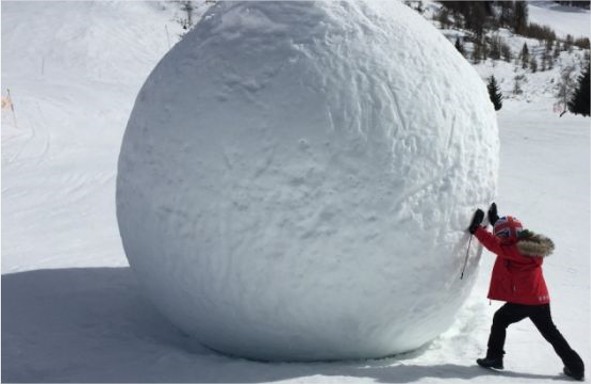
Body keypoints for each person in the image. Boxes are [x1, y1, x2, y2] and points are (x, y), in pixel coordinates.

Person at [468, 203, 585, 381]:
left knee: (500, 319)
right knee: (551, 334)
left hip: (525, 301)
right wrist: (497, 222)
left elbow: (497, 246)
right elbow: (509, 236)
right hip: (540, 299)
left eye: (502, 234)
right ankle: (576, 366)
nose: (500, 237)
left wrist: (477, 229)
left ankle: (494, 357)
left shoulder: (516, 250)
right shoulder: (529, 244)